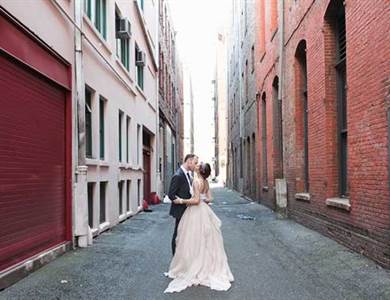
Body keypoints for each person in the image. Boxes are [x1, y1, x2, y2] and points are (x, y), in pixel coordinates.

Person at [164, 162, 234, 293]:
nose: (196, 165)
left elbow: (195, 200)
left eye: (198, 165)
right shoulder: (206, 182)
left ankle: (194, 265)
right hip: (205, 211)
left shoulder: (197, 182)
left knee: (192, 239)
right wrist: (204, 200)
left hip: (195, 211)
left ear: (200, 170)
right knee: (205, 240)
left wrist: (181, 201)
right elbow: (210, 198)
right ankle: (206, 265)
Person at [168, 154, 199, 255]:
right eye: (195, 163)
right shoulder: (178, 175)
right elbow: (171, 194)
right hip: (180, 211)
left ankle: (181, 259)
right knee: (177, 235)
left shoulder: (187, 174)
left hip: (186, 210)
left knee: (183, 236)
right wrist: (180, 201)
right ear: (189, 161)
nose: (195, 166)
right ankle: (175, 261)